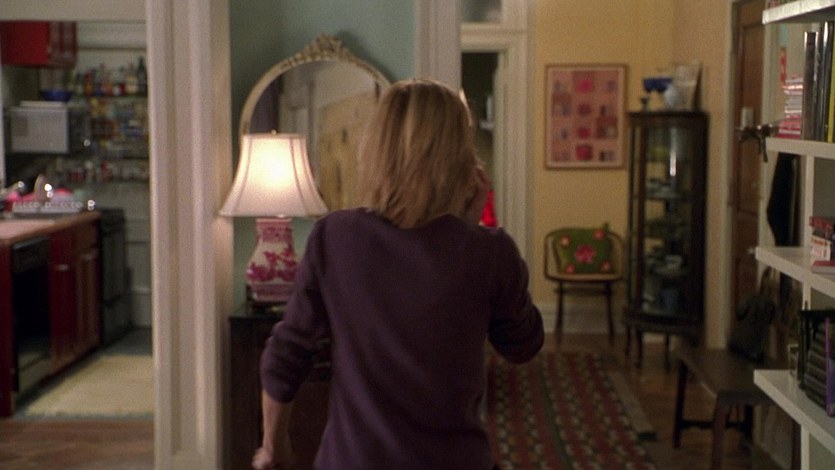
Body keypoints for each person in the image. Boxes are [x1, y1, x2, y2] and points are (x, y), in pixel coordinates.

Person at [252, 78, 544, 470]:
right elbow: (523, 345)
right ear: (460, 159)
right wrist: (469, 232)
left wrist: (273, 447)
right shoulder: (489, 252)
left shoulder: (335, 237)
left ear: (377, 151)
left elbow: (286, 353)